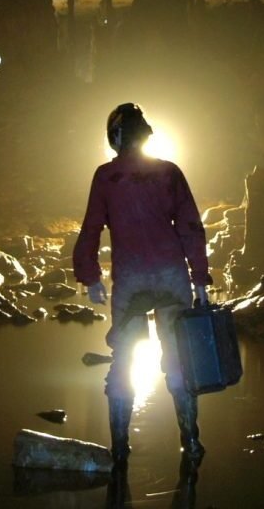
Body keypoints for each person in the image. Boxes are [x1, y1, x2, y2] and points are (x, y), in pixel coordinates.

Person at [73, 103, 211, 469]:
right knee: (178, 360)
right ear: (145, 133)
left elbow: (90, 229)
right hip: (171, 277)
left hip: (132, 280)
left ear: (116, 137)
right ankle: (192, 441)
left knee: (125, 361)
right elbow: (190, 227)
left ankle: (119, 449)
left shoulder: (106, 176)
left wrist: (90, 277)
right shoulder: (168, 173)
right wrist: (200, 280)